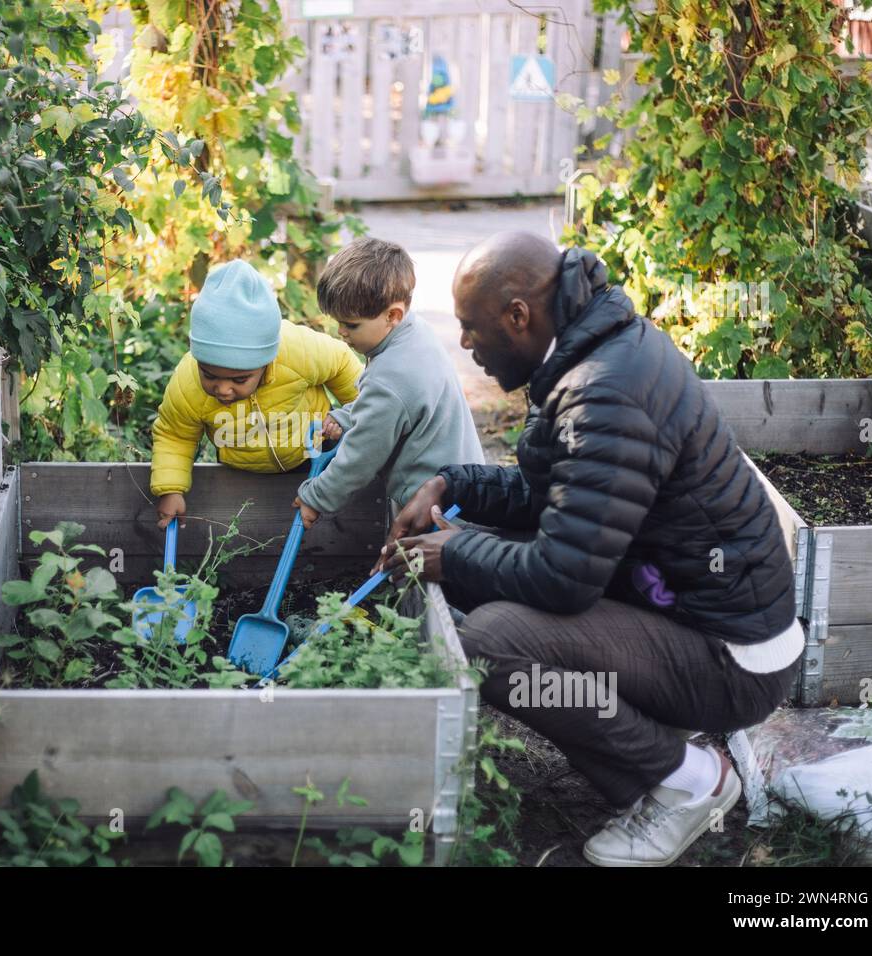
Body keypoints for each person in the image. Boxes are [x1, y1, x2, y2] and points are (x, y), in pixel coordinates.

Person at [378, 232, 805, 867]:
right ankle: (647, 738)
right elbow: (559, 499)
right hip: (682, 611)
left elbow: (567, 577)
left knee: (493, 641)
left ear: (518, 316)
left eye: (471, 328)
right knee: (471, 567)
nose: (464, 345)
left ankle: (688, 780)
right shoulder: (586, 350)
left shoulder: (606, 389)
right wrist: (452, 484)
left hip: (731, 658)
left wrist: (454, 554)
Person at [151, 259, 363, 528]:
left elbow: (343, 364)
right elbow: (175, 434)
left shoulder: (297, 350)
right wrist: (171, 489)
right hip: (241, 469)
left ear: (266, 361)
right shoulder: (189, 380)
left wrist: (354, 413)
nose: (223, 389)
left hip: (313, 452)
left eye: (239, 379)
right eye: (210, 375)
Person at [293, 238, 486, 528]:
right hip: (460, 486)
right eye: (338, 323)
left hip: (433, 509)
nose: (341, 332)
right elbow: (394, 406)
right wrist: (346, 416)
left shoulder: (392, 377)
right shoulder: (413, 333)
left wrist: (316, 497)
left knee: (414, 568)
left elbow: (361, 456)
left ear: (392, 315)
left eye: (351, 325)